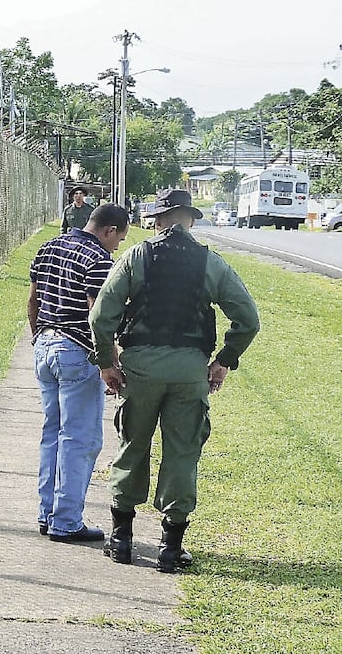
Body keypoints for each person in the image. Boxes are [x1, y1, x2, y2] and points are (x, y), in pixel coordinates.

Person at [89, 188, 259, 571]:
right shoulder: (209, 262)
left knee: (132, 445)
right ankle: (171, 547)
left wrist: (107, 362)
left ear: (157, 219)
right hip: (189, 372)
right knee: (183, 452)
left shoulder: (136, 256)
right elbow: (248, 319)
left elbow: (101, 317)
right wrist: (224, 361)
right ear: (191, 220)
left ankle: (122, 540)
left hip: (140, 369)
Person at [28, 203, 131, 542]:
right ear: (110, 230)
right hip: (76, 352)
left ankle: (47, 513)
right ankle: (67, 520)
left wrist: (37, 337)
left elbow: (33, 300)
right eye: (118, 239)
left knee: (52, 433)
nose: (116, 246)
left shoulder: (49, 247)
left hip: (44, 345)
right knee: (81, 439)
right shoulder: (98, 260)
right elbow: (97, 317)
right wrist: (110, 363)